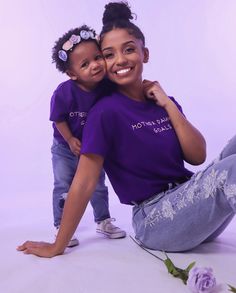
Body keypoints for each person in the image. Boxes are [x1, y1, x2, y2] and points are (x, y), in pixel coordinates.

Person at [17, 2, 235, 257]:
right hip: (156, 220)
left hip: (191, 205)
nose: (120, 60)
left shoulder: (163, 101)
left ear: (145, 54)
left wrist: (167, 103)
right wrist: (58, 245)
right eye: (109, 54)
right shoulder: (104, 112)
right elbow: (85, 181)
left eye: (129, 49)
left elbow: (197, 156)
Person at [49, 24, 126, 247]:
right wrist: (70, 139)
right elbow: (58, 118)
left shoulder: (106, 86)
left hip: (92, 148)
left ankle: (103, 221)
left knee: (98, 185)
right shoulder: (64, 92)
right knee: (63, 185)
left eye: (97, 57)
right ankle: (61, 226)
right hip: (64, 147)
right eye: (85, 64)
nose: (95, 65)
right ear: (72, 73)